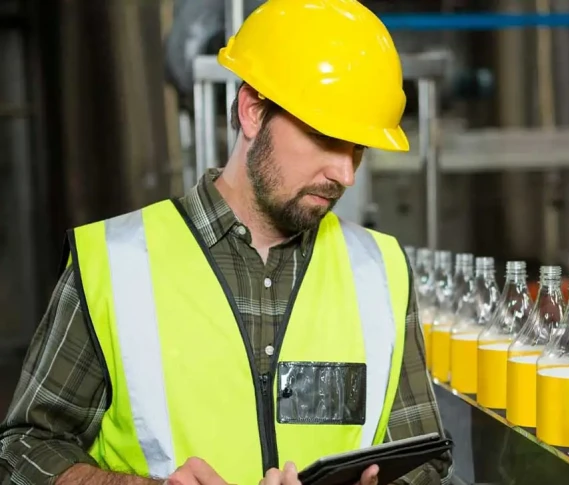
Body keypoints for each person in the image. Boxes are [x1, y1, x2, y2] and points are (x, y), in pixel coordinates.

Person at [0, 1, 453, 484]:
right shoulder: (115, 264)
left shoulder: (379, 271)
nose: (344, 173)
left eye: (358, 148)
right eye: (326, 138)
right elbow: (25, 449)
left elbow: (425, 460)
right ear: (253, 111)